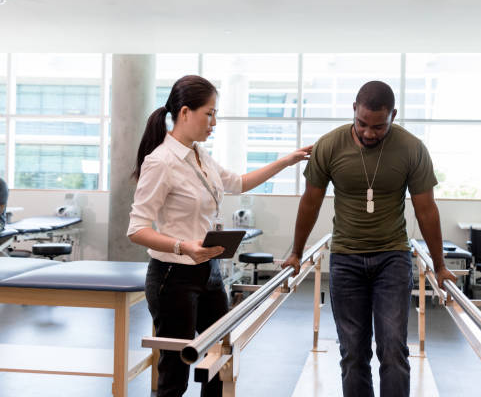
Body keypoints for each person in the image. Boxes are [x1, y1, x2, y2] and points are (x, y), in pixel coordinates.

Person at [127, 75, 311, 397]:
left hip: (208, 272)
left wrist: (286, 161)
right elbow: (137, 229)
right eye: (209, 113)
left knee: (219, 358)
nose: (214, 122)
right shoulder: (161, 162)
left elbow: (238, 182)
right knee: (175, 374)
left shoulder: (200, 155)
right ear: (185, 113)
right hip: (173, 277)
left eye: (216, 114)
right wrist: (183, 246)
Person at [282, 81, 456, 397]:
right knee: (352, 352)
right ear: (353, 111)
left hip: (392, 257)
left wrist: (440, 266)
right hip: (346, 259)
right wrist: (296, 252)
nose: (369, 133)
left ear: (394, 115)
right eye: (362, 123)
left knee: (392, 348)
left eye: (379, 126)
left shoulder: (411, 148)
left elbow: (427, 210)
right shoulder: (330, 145)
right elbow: (310, 202)